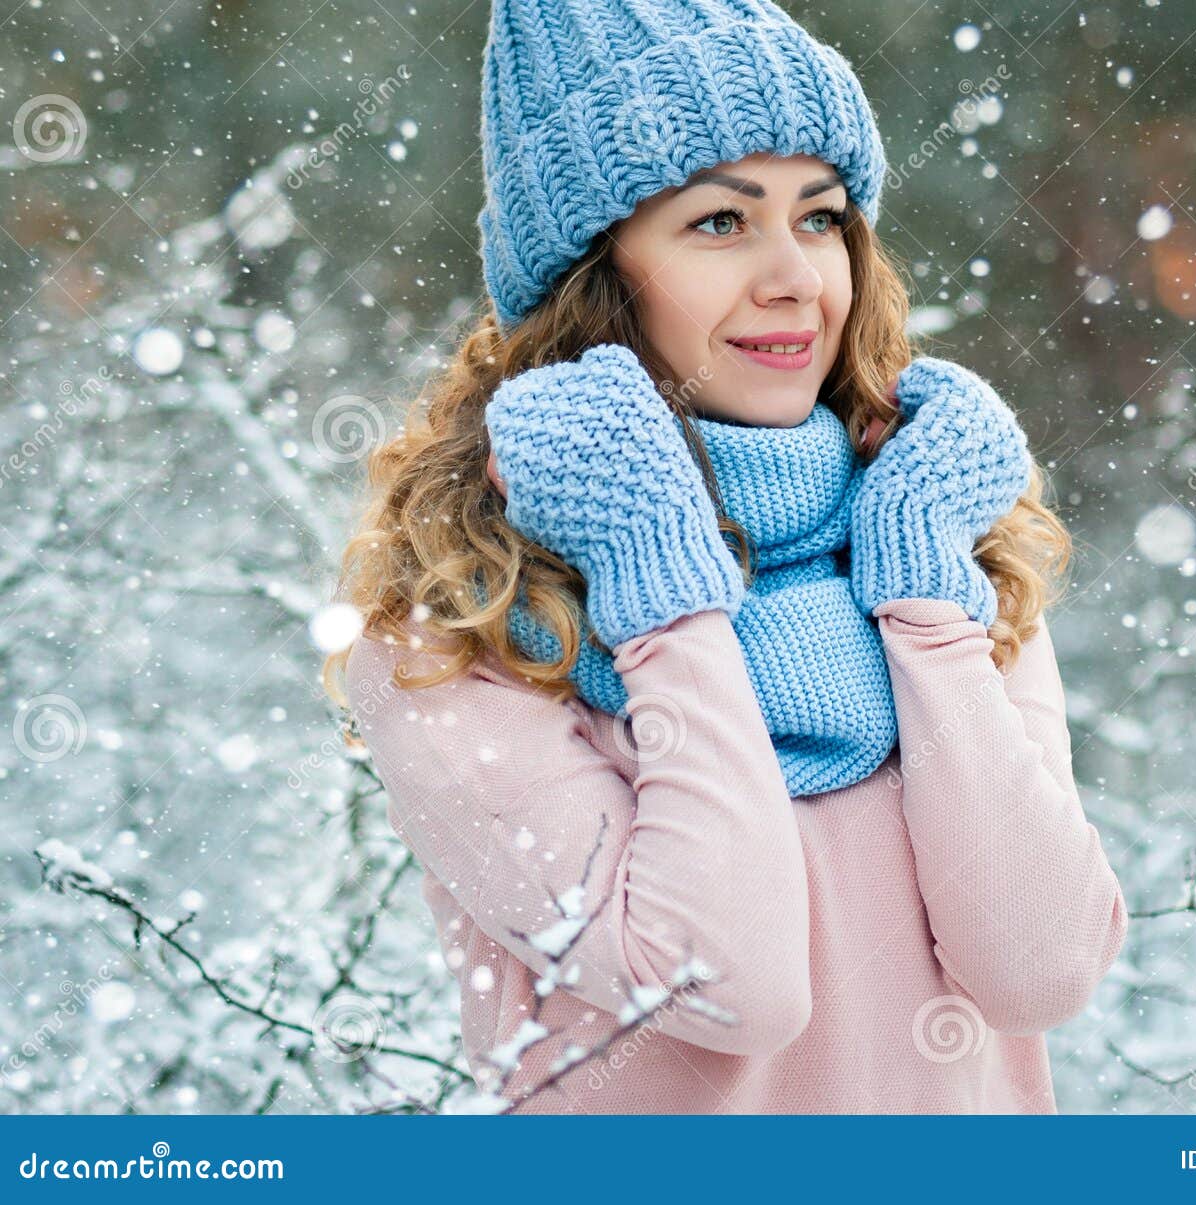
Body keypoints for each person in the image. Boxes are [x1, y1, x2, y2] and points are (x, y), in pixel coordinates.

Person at [324, 0, 1127, 1114]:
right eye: (718, 223)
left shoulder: (939, 548)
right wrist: (661, 583)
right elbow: (725, 982)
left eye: (822, 217)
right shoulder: (461, 638)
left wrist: (926, 606)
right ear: (594, 278)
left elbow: (1039, 966)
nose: (796, 277)